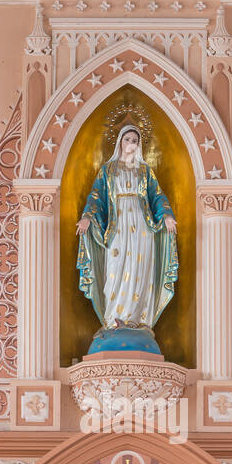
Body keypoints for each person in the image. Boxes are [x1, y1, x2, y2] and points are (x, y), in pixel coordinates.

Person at [76, 125, 178, 342]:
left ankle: (138, 319)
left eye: (135, 140)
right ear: (120, 142)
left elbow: (157, 196)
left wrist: (167, 215)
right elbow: (96, 197)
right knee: (116, 268)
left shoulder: (144, 171)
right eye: (128, 139)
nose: (131, 144)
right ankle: (114, 318)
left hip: (142, 226)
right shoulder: (108, 170)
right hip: (118, 224)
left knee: (139, 267)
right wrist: (87, 217)